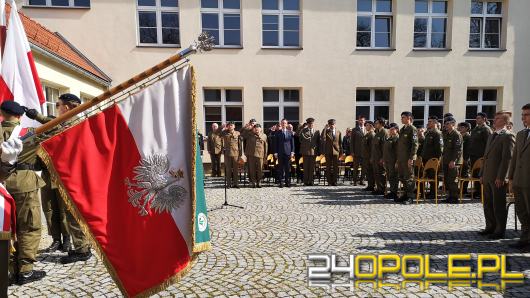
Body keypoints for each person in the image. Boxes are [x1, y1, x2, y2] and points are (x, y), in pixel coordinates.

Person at [36, 93, 93, 264]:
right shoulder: (74, 122)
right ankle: (84, 246)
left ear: (66, 107)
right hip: (74, 173)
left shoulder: (69, 124)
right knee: (73, 212)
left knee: (71, 212)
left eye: (58, 104)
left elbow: (52, 136)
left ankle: (82, 250)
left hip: (71, 175)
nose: (57, 107)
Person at [1, 101, 46, 284]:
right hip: (24, 184)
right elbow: (61, 126)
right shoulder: (27, 133)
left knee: (5, 228)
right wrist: (36, 116)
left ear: (2, 114)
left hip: (2, 184)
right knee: (29, 226)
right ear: (19, 116)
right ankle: (25, 271)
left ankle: (9, 270)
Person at [479, 111, 515, 239]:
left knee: (498, 204)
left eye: (498, 118)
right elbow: (486, 156)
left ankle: (499, 230)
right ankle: (490, 226)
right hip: (488, 175)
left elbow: (507, 159)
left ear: (505, 121)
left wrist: (502, 177)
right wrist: (482, 173)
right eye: (495, 118)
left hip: (498, 177)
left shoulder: (508, 136)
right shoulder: (492, 135)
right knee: (487, 203)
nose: (494, 120)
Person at [508, 104, 530, 249]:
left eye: (526, 115)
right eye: (522, 115)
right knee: (521, 210)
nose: (523, 117)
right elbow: (515, 158)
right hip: (518, 180)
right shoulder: (521, 134)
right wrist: (510, 178)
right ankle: (525, 237)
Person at [396, 112, 419, 204]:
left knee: (409, 177)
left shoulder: (412, 129)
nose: (401, 119)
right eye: (401, 117)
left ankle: (410, 197)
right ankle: (405, 194)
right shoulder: (402, 129)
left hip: (408, 158)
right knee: (402, 177)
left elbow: (415, 144)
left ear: (409, 118)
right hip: (401, 158)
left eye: (403, 117)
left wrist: (412, 158)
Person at [469, 112, 492, 193]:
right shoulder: (475, 129)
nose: (477, 120)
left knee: (481, 174)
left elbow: (488, 144)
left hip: (481, 156)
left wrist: (485, 156)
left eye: (479, 118)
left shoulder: (486, 129)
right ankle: (476, 191)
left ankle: (481, 192)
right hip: (473, 155)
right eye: (476, 118)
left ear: (484, 119)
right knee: (475, 174)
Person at [442, 117, 463, 204]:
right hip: (446, 160)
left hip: (453, 161)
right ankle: (450, 196)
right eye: (445, 124)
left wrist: (453, 160)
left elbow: (458, 149)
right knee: (447, 179)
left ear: (453, 124)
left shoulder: (456, 134)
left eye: (448, 124)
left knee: (453, 179)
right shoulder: (447, 134)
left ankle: (454, 197)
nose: (446, 125)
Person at [421, 116, 443, 199]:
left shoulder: (437, 133)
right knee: (429, 177)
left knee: (433, 177)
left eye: (430, 122)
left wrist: (437, 160)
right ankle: (430, 192)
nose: (428, 123)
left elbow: (440, 148)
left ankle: (433, 193)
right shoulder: (428, 133)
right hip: (426, 158)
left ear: (435, 123)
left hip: (433, 159)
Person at [243, 124, 268, 188]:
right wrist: (246, 128)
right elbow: (242, 135)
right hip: (251, 155)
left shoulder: (264, 136)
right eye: (255, 128)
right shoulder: (249, 135)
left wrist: (265, 156)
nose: (257, 129)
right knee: (252, 169)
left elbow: (266, 146)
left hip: (260, 155)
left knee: (260, 169)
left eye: (258, 128)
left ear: (261, 129)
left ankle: (259, 182)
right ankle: (253, 182)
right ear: (253, 129)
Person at [220, 121, 242, 188]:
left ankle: (236, 184)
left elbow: (240, 144)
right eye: (229, 125)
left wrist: (240, 154)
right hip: (227, 154)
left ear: (234, 126)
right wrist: (222, 127)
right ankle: (228, 184)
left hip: (236, 153)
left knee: (235, 169)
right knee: (228, 169)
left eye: (232, 125)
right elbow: (217, 133)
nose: (230, 126)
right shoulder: (224, 133)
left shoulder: (238, 133)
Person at [299, 118, 320, 186]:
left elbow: (318, 141)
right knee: (306, 167)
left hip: (313, 152)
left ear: (313, 124)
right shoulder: (303, 130)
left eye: (312, 123)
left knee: (311, 168)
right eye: (309, 123)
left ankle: (311, 181)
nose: (311, 125)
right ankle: (305, 181)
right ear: (307, 124)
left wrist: (318, 151)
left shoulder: (317, 131)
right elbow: (300, 139)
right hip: (305, 151)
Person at [274, 119, 295, 188]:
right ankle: (281, 182)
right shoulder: (277, 132)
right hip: (280, 152)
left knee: (287, 168)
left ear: (287, 124)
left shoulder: (290, 132)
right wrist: (275, 152)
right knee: (280, 168)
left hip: (288, 153)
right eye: (282, 123)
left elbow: (292, 143)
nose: (283, 124)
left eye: (285, 123)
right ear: (281, 124)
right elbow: (275, 143)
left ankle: (287, 182)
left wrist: (292, 152)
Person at [321, 119, 342, 186]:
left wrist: (340, 151)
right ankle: (329, 181)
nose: (332, 126)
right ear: (329, 125)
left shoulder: (338, 132)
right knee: (328, 167)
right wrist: (325, 129)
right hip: (328, 151)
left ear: (335, 124)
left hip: (336, 151)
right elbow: (323, 138)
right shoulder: (326, 131)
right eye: (330, 124)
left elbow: (340, 143)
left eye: (333, 124)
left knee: (336, 167)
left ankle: (335, 181)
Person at [371, 118, 388, 196]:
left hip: (380, 157)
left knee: (381, 173)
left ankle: (382, 189)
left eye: (376, 123)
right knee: (376, 173)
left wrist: (383, 158)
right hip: (375, 157)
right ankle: (378, 188)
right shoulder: (377, 132)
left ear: (381, 124)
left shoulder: (384, 132)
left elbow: (384, 147)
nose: (375, 124)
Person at [383, 123, 399, 200]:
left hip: (393, 161)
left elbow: (398, 152)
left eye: (393, 129)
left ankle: (394, 192)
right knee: (390, 176)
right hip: (388, 161)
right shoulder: (389, 138)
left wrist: (397, 161)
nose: (391, 130)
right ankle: (392, 191)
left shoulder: (397, 139)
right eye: (390, 129)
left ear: (397, 130)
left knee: (394, 177)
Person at [350, 115, 366, 186]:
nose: (361, 122)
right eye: (360, 120)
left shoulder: (366, 129)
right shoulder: (354, 130)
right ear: (358, 121)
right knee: (356, 167)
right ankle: (355, 181)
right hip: (356, 152)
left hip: (365, 153)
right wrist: (352, 151)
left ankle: (362, 180)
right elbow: (352, 142)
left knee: (364, 168)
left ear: (364, 121)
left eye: (362, 120)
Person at [458, 122, 472, 196]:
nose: (460, 128)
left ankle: (464, 189)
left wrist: (465, 158)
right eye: (459, 127)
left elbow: (468, 149)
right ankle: (460, 188)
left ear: (467, 128)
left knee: (465, 174)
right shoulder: (460, 136)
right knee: (460, 174)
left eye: (462, 127)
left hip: (465, 158)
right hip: (460, 158)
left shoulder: (468, 137)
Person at [361, 121, 375, 191]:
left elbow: (372, 148)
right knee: (368, 172)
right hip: (366, 156)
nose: (365, 127)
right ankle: (370, 185)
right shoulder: (367, 134)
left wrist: (372, 157)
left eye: (367, 125)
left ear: (371, 126)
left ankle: (372, 185)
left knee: (371, 172)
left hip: (369, 156)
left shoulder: (372, 135)